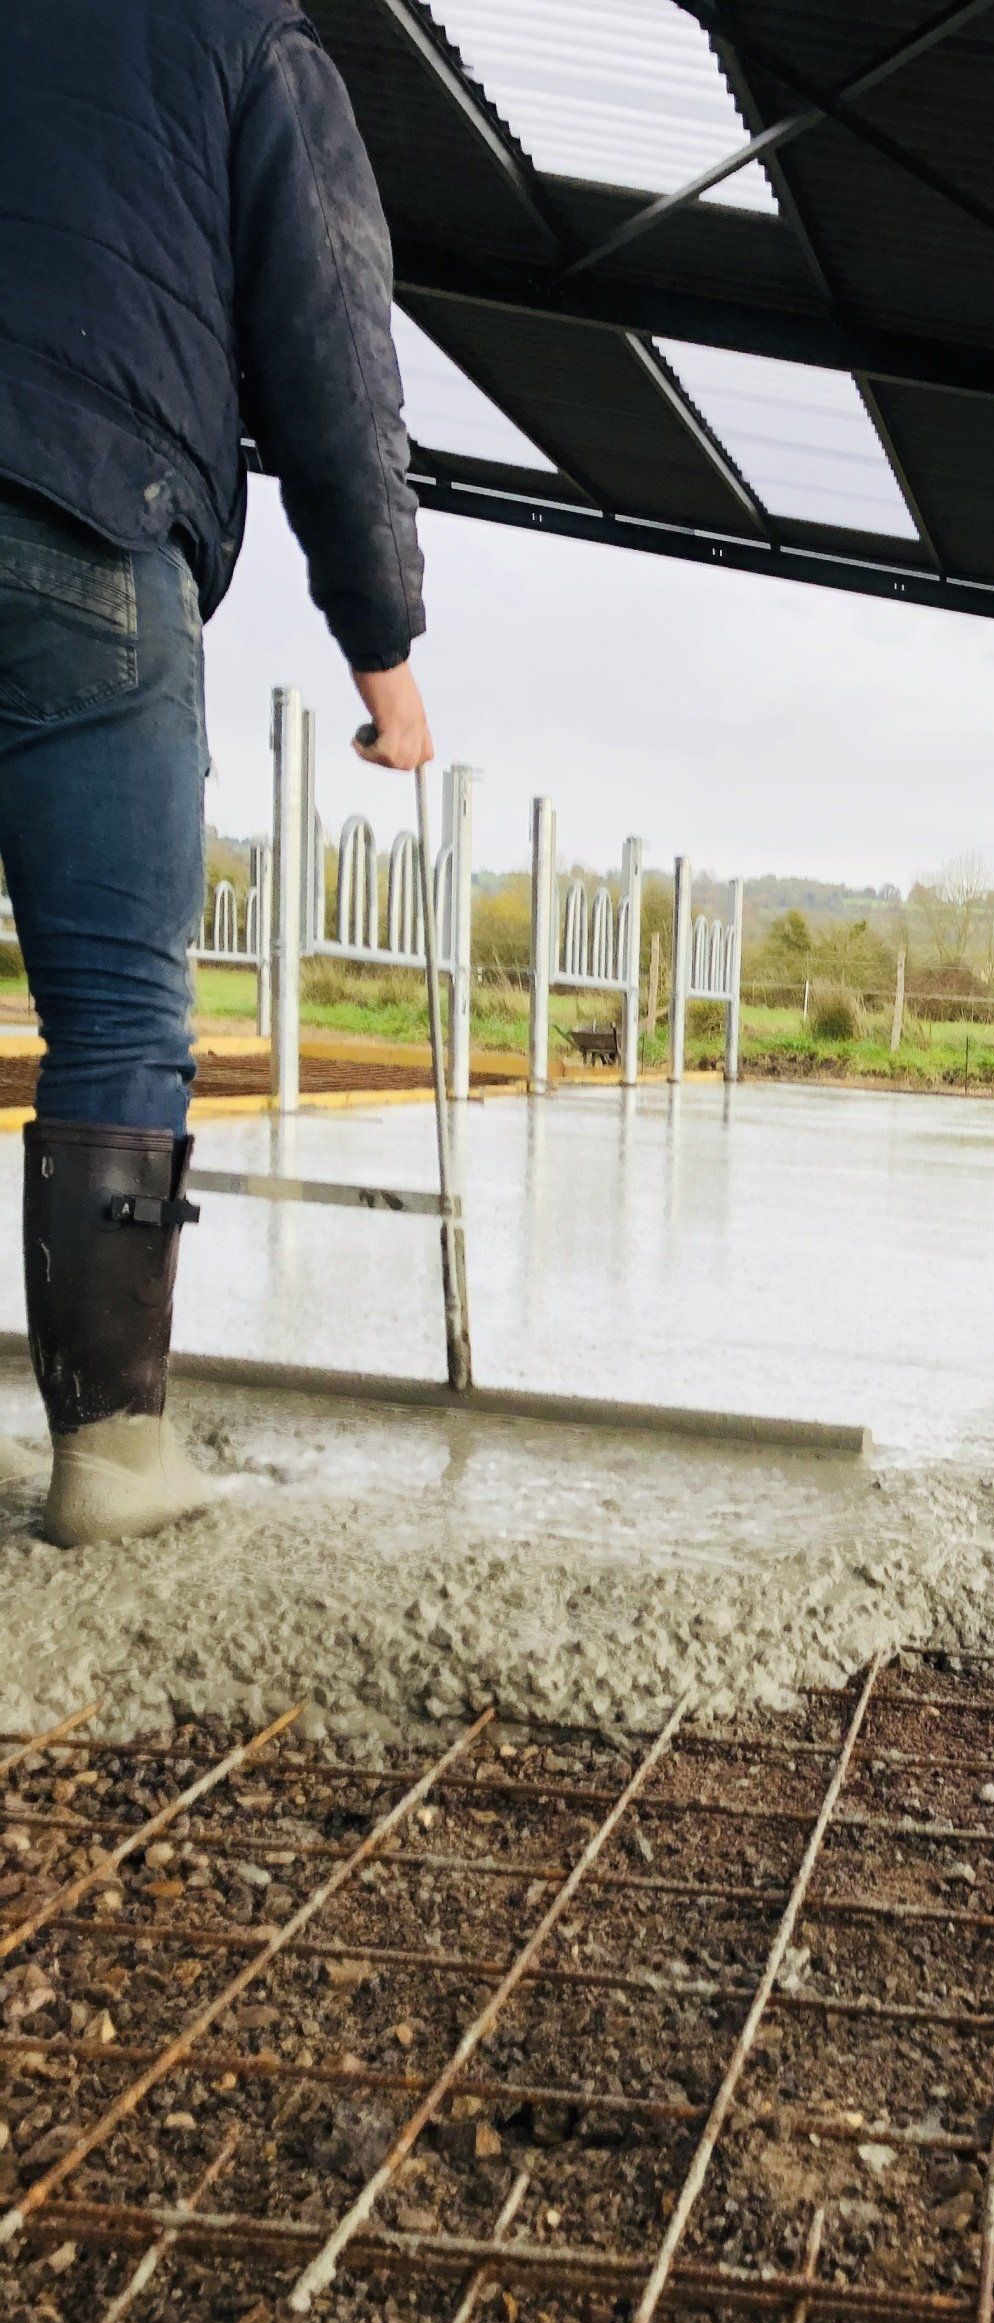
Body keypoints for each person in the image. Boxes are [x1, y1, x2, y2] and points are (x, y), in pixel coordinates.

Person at [0, 0, 429, 1546]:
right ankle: (113, 1462)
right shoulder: (248, 39)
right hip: (88, 517)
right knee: (117, 1008)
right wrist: (383, 649)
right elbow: (332, 355)